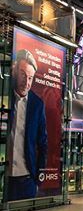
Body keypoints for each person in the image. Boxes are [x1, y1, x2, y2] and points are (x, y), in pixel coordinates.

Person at [6, 49, 47, 202]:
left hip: (27, 179)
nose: (27, 82)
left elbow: (43, 143)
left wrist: (38, 178)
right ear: (15, 71)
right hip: (5, 177)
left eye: (30, 78)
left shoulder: (37, 105)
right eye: (23, 74)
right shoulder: (5, 96)